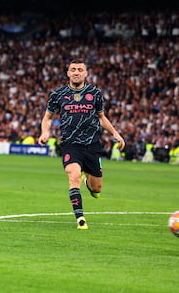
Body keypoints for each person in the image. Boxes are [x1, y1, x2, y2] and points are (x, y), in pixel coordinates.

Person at [38, 58, 125, 230]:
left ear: (86, 73)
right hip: (70, 144)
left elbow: (101, 117)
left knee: (96, 189)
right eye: (73, 69)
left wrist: (115, 133)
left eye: (80, 69)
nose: (76, 72)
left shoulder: (95, 93)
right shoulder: (58, 94)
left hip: (92, 145)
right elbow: (47, 117)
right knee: (73, 175)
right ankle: (80, 218)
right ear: (68, 73)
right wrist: (45, 132)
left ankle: (89, 184)